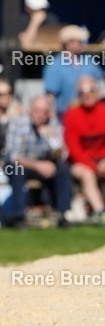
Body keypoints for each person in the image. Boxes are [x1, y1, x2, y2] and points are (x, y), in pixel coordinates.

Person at [2, 95, 71, 227]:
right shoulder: (19, 123)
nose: (40, 115)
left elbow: (63, 155)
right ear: (30, 111)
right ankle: (18, 217)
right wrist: (38, 166)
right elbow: (14, 156)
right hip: (21, 164)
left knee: (63, 169)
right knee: (17, 170)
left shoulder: (52, 123)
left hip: (44, 164)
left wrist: (52, 139)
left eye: (44, 111)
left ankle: (62, 214)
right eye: (37, 110)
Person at [62, 76, 105, 226]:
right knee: (87, 174)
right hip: (81, 162)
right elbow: (73, 149)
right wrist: (94, 167)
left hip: (103, 159)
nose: (87, 94)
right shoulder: (71, 115)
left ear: (98, 91)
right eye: (82, 91)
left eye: (90, 90)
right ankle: (102, 214)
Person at [43, 25, 102, 116]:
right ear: (68, 43)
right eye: (79, 42)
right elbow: (50, 95)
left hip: (91, 115)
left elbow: (100, 81)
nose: (83, 44)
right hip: (66, 116)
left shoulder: (89, 61)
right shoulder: (55, 66)